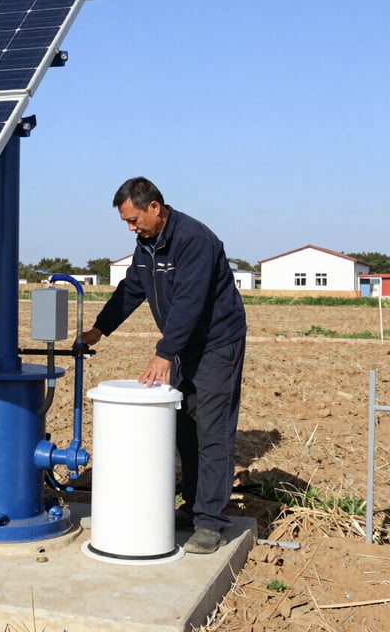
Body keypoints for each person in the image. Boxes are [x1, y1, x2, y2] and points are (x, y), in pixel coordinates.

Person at [82, 176, 246, 554]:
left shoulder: (195, 241)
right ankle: (193, 506)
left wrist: (163, 351)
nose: (131, 227)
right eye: (126, 222)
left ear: (154, 207)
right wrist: (100, 329)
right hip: (185, 346)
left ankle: (210, 522)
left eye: (133, 219)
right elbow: (131, 290)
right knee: (185, 427)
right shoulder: (147, 246)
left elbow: (190, 302)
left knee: (212, 429)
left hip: (216, 344)